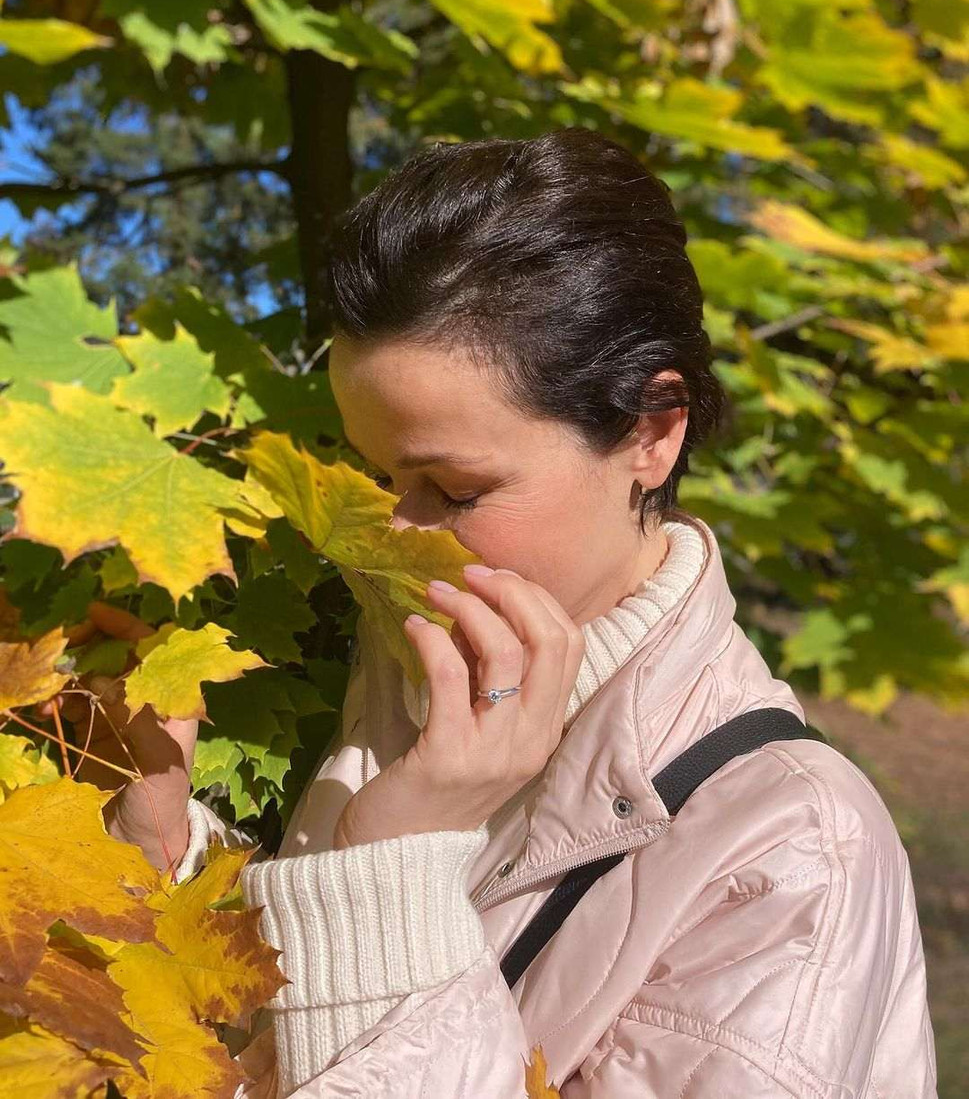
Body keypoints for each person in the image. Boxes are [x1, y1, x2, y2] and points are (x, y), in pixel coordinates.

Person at [67, 130, 938, 1096]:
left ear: (650, 432)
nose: (389, 535)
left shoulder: (791, 848)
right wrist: (162, 854)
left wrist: (393, 854)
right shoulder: (400, 666)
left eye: (453, 488)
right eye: (372, 476)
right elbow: (276, 1041)